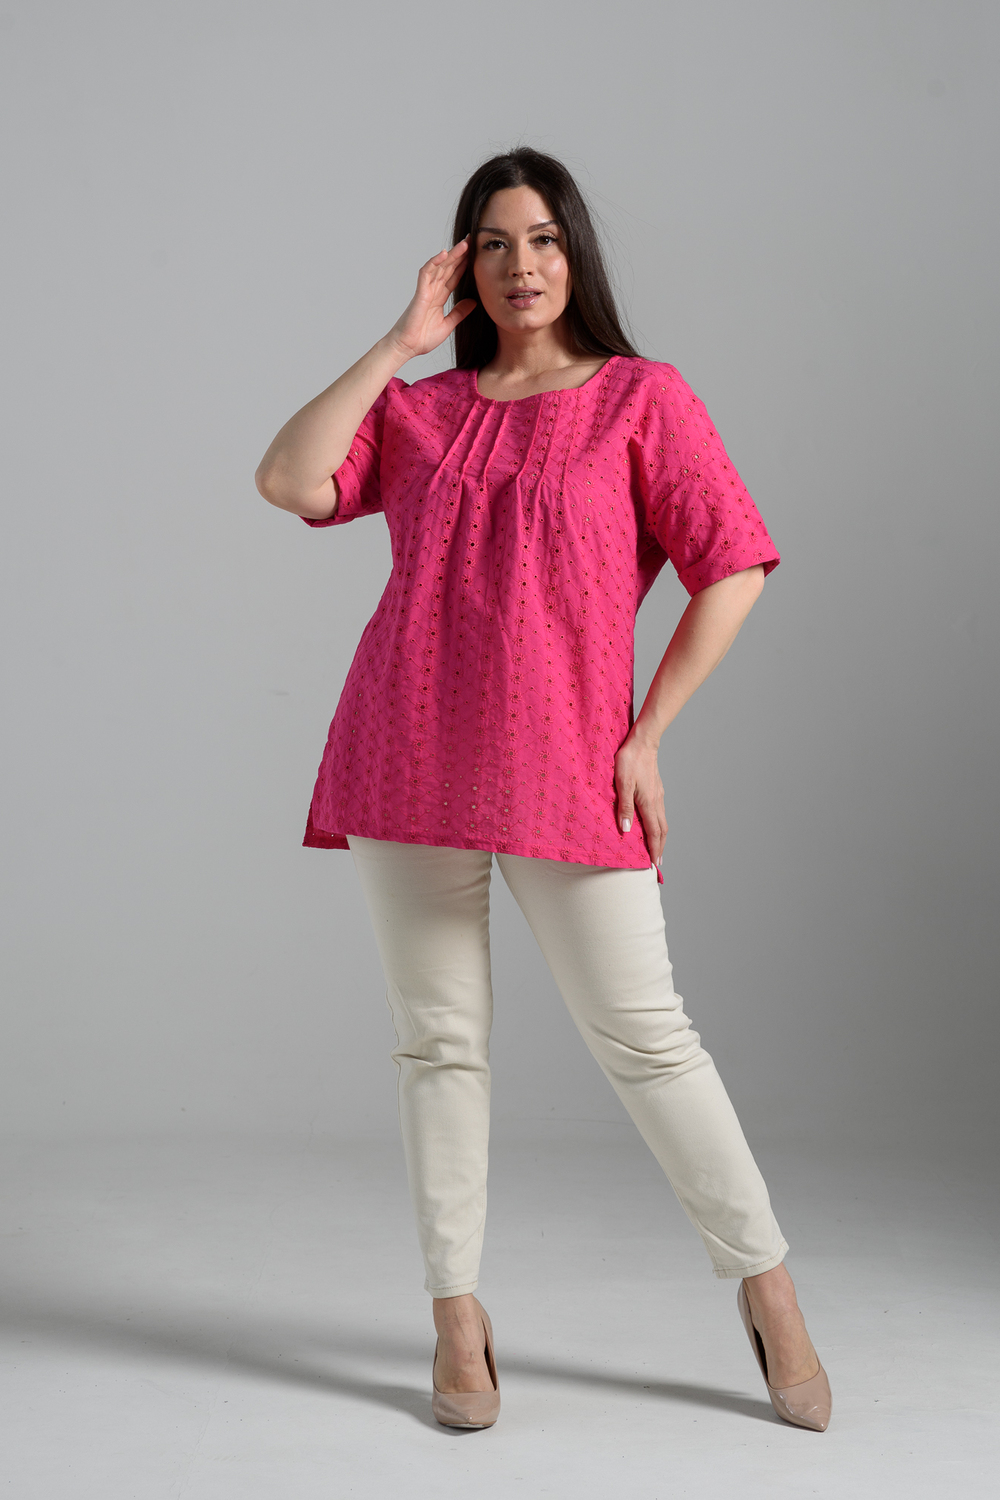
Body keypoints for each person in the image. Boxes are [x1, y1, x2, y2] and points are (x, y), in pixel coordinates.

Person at [254, 147, 831, 1434]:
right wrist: (396, 344)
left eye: (545, 240)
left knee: (646, 1037)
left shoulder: (640, 397)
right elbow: (289, 479)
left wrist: (648, 733)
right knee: (438, 1044)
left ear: (577, 254)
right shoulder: (419, 413)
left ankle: (766, 1284)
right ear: (463, 264)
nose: (522, 266)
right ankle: (456, 1316)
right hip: (406, 751)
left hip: (569, 759)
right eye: (495, 243)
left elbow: (732, 566)